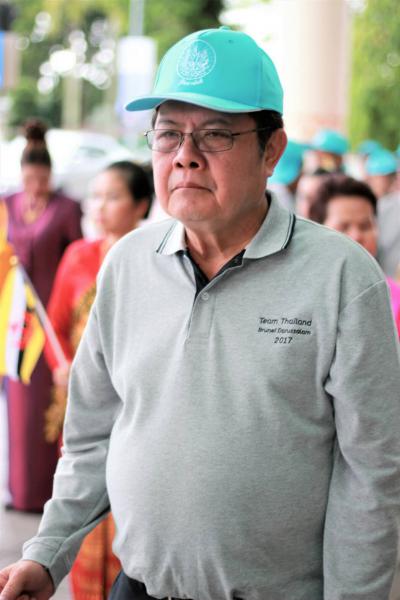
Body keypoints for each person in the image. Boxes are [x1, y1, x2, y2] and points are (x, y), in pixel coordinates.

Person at [1, 26, 400, 600]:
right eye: (168, 134)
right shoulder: (127, 265)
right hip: (139, 587)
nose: (185, 156)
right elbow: (91, 436)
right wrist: (46, 553)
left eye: (215, 134)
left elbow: (372, 472)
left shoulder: (341, 277)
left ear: (271, 150)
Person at [44, 160, 153, 600]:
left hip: (133, 410)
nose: (100, 206)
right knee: (80, 509)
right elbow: (55, 324)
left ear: (141, 205)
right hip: (83, 404)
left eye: (112, 197)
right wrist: (63, 366)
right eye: (95, 196)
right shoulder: (78, 255)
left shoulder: (154, 260)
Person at [3, 119, 82, 512]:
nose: (36, 186)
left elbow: (77, 258)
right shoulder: (7, 204)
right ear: (22, 175)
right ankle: (20, 491)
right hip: (18, 320)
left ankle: (50, 494)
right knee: (17, 407)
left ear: (51, 175)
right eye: (30, 178)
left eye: (43, 178)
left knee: (47, 404)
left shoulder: (67, 208)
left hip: (53, 322)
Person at [308, 173, 400, 335]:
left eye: (365, 226)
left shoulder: (394, 299)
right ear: (317, 230)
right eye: (343, 227)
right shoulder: (303, 299)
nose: (357, 236)